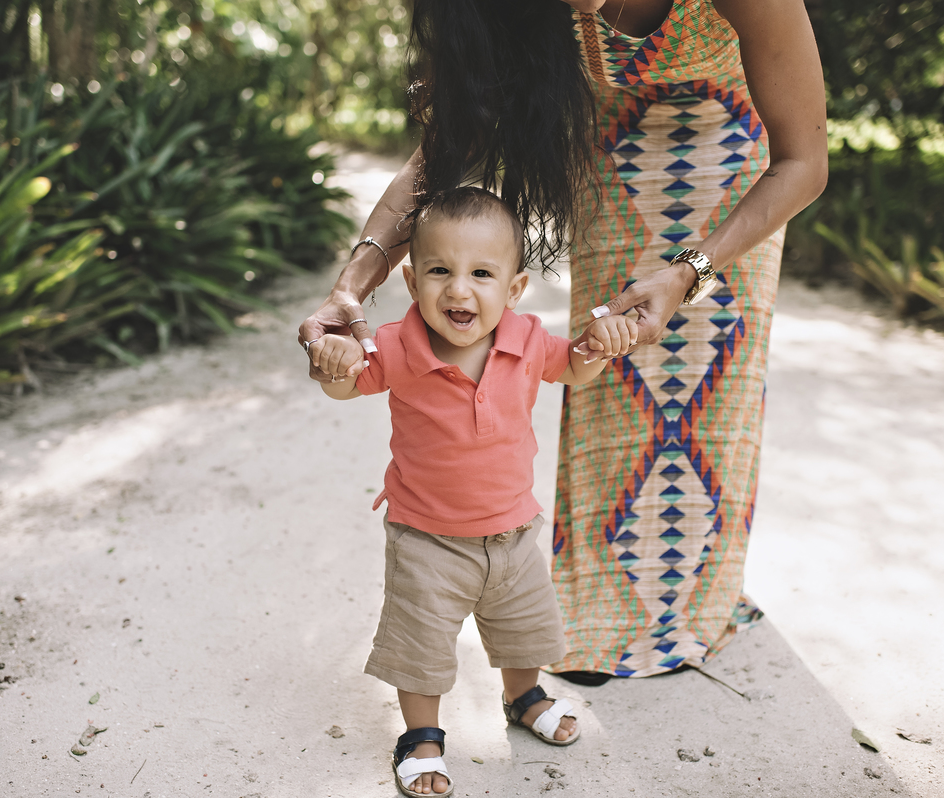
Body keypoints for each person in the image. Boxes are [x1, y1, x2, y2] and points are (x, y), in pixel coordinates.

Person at [300, 0, 827, 686]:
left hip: (732, 165)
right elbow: (444, 152)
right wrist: (351, 285)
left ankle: (701, 600)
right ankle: (605, 613)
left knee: (710, 394)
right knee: (613, 375)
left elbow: (804, 161)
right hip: (613, 150)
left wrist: (688, 272)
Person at [308, 187, 638, 797]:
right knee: (420, 646)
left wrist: (600, 344)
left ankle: (524, 696)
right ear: (412, 281)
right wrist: (334, 361)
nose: (459, 290)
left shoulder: (527, 339)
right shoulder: (397, 345)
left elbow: (574, 366)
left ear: (514, 289)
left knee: (526, 630)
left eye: (482, 274)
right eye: (440, 271)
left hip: (513, 532)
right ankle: (421, 737)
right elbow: (347, 384)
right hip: (426, 538)